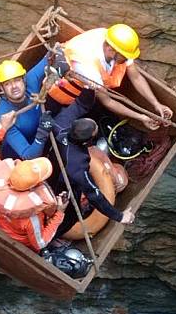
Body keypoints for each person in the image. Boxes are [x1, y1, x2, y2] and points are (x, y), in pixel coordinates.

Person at [47, 24, 173, 130]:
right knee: (58, 123)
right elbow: (108, 101)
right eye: (125, 57)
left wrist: (157, 104)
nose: (127, 60)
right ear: (110, 50)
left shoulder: (113, 40)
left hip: (89, 91)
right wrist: (141, 118)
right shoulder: (88, 67)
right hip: (59, 94)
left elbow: (136, 77)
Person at [50, 88, 135, 238]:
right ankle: (55, 235)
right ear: (87, 143)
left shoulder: (61, 126)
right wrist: (120, 217)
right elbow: (94, 194)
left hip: (50, 171)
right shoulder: (78, 166)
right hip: (62, 187)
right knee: (69, 218)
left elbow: (79, 105)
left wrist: (90, 88)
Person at [0, 111, 69, 253]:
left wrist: (2, 127)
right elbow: (40, 243)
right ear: (34, 185)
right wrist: (59, 213)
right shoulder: (31, 217)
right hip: (23, 243)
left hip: (1, 224)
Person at [0, 57, 54, 159]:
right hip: (18, 157)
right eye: (7, 84)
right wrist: (43, 132)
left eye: (17, 80)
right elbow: (28, 155)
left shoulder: (31, 81)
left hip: (41, 138)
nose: (14, 86)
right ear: (2, 88)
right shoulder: (5, 117)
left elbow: (50, 58)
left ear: (24, 80)